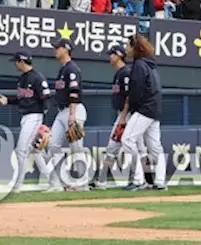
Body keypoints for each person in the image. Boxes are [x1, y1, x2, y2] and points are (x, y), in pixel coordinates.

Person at [0, 52, 50, 190]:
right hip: (25, 117)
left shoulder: (37, 78)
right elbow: (22, 98)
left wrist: (44, 122)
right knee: (34, 150)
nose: (15, 64)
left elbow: (46, 99)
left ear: (22, 61)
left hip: (35, 116)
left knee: (21, 150)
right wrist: (8, 101)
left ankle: (17, 184)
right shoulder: (22, 79)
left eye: (16, 61)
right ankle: (51, 179)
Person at [121, 35, 166, 191]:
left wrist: (131, 110)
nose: (126, 49)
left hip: (144, 108)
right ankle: (160, 181)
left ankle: (138, 179)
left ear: (136, 47)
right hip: (155, 109)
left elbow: (137, 90)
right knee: (155, 147)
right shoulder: (150, 64)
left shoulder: (139, 64)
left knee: (127, 140)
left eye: (128, 46)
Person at [46, 39, 87, 191]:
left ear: (66, 49)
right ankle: (58, 182)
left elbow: (74, 92)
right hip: (62, 111)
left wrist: (72, 114)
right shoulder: (63, 69)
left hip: (74, 110)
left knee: (76, 148)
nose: (55, 50)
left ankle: (81, 183)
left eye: (57, 48)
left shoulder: (72, 69)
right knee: (52, 146)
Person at [91, 45, 131, 189]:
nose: (110, 57)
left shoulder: (125, 73)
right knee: (114, 148)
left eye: (112, 54)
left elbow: (129, 96)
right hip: (123, 114)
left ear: (119, 55)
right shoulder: (119, 73)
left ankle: (147, 179)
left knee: (121, 147)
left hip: (127, 115)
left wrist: (123, 117)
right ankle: (101, 180)